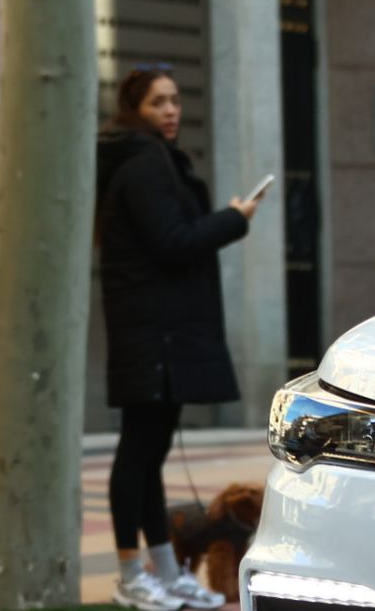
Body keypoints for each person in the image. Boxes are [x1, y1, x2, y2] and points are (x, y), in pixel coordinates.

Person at [94, 66, 263, 610]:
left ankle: (164, 572)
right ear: (133, 111)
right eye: (156, 103)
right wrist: (234, 219)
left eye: (174, 100)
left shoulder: (153, 162)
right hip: (152, 331)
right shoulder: (142, 166)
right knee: (138, 452)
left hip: (161, 328)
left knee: (151, 452)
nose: (170, 111)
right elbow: (172, 242)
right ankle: (131, 575)